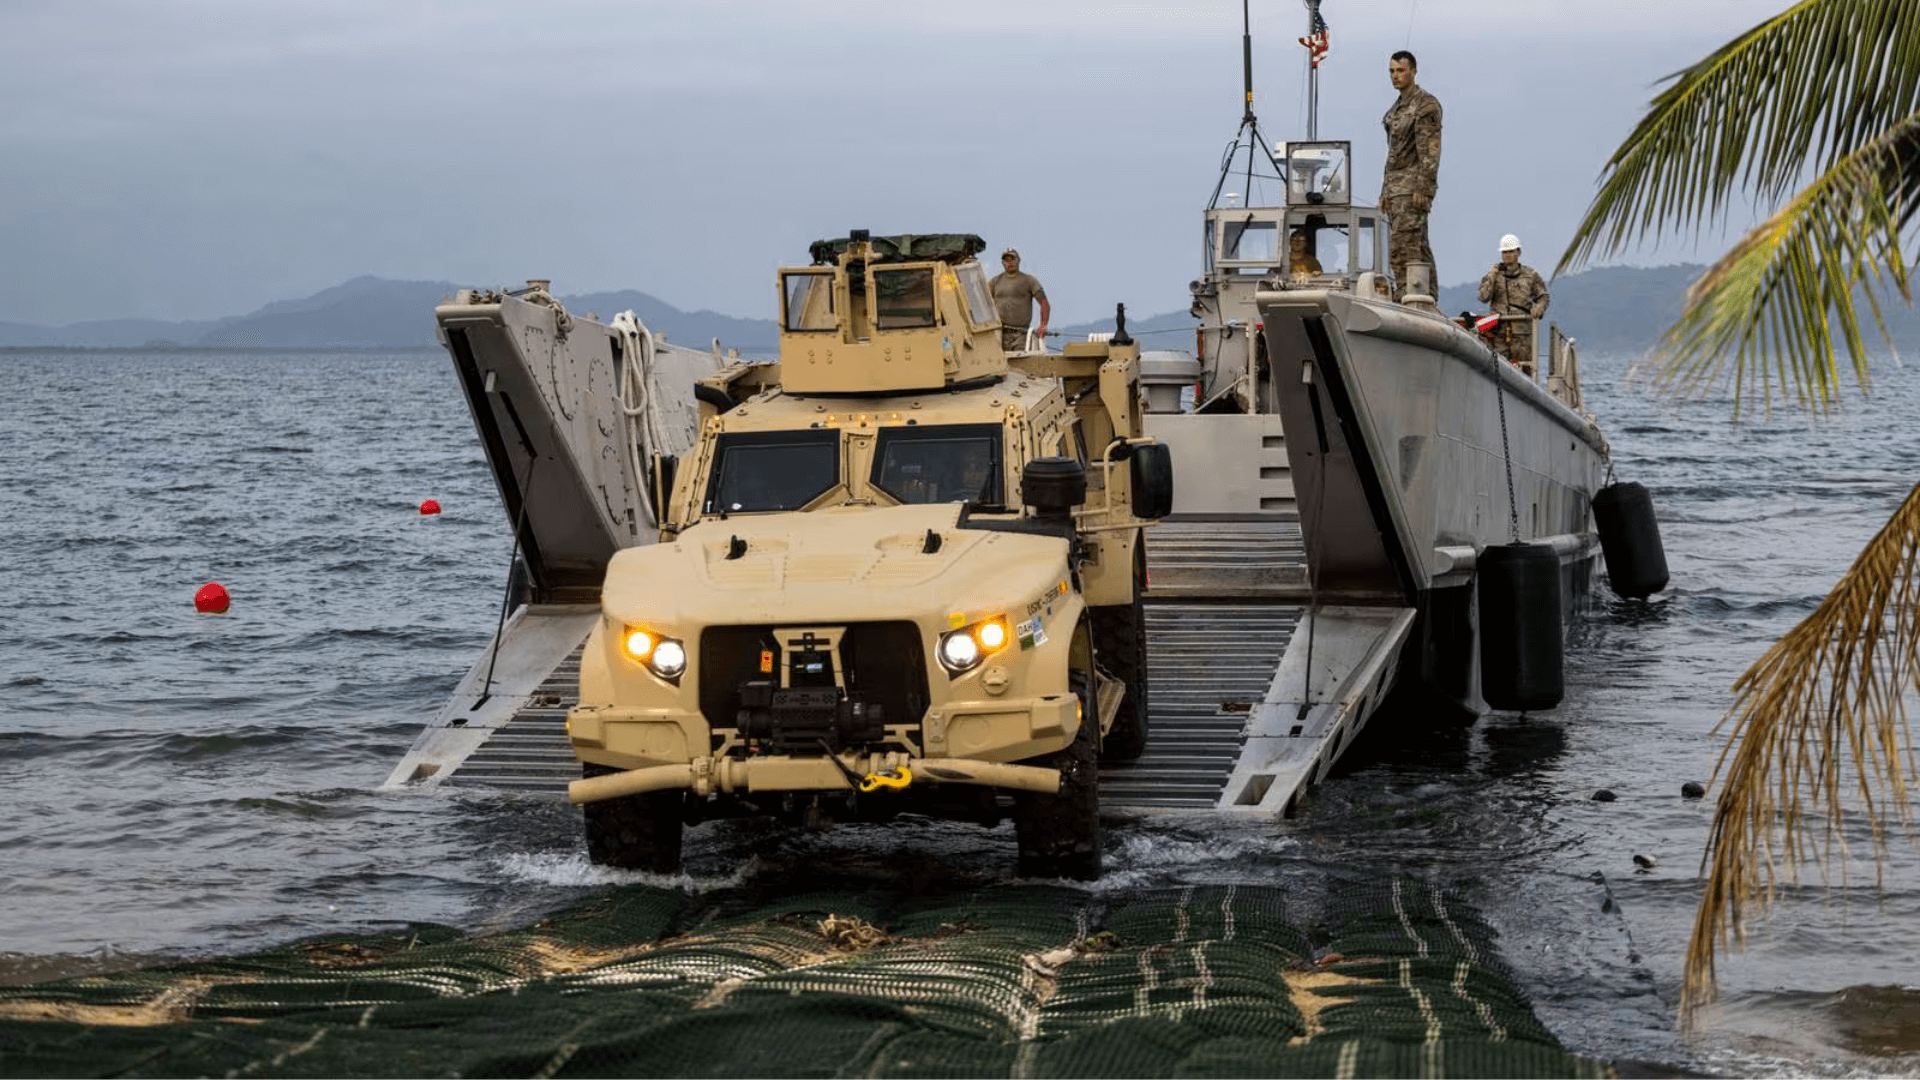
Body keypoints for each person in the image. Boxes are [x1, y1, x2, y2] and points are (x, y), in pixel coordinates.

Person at [1381, 50, 1442, 299]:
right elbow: (1393, 155)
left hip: (1412, 189)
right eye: (1392, 71)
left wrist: (1423, 189)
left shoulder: (1425, 105)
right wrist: (1384, 191)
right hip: (1395, 190)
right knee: (1415, 245)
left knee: (1405, 248)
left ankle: (1411, 298)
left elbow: (1430, 152)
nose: (1396, 76)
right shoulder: (1395, 109)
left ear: (1413, 72)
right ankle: (1428, 297)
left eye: (1400, 70)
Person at [1477, 234, 1550, 373]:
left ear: (1518, 252)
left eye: (1511, 251)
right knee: (1497, 371)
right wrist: (1493, 277)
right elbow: (1483, 297)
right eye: (1505, 252)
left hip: (1522, 336)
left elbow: (1543, 297)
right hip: (1499, 335)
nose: (1508, 255)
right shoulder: (1493, 275)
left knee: (1525, 371)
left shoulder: (1531, 275)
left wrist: (1539, 308)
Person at [989, 248, 1049, 351]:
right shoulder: (994, 282)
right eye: (1006, 260)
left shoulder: (1029, 280)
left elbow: (1044, 303)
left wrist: (1043, 325)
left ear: (1019, 260)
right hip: (999, 334)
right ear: (1002, 263)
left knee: (1020, 364)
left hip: (1021, 335)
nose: (1010, 262)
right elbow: (983, 304)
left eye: (1012, 259)